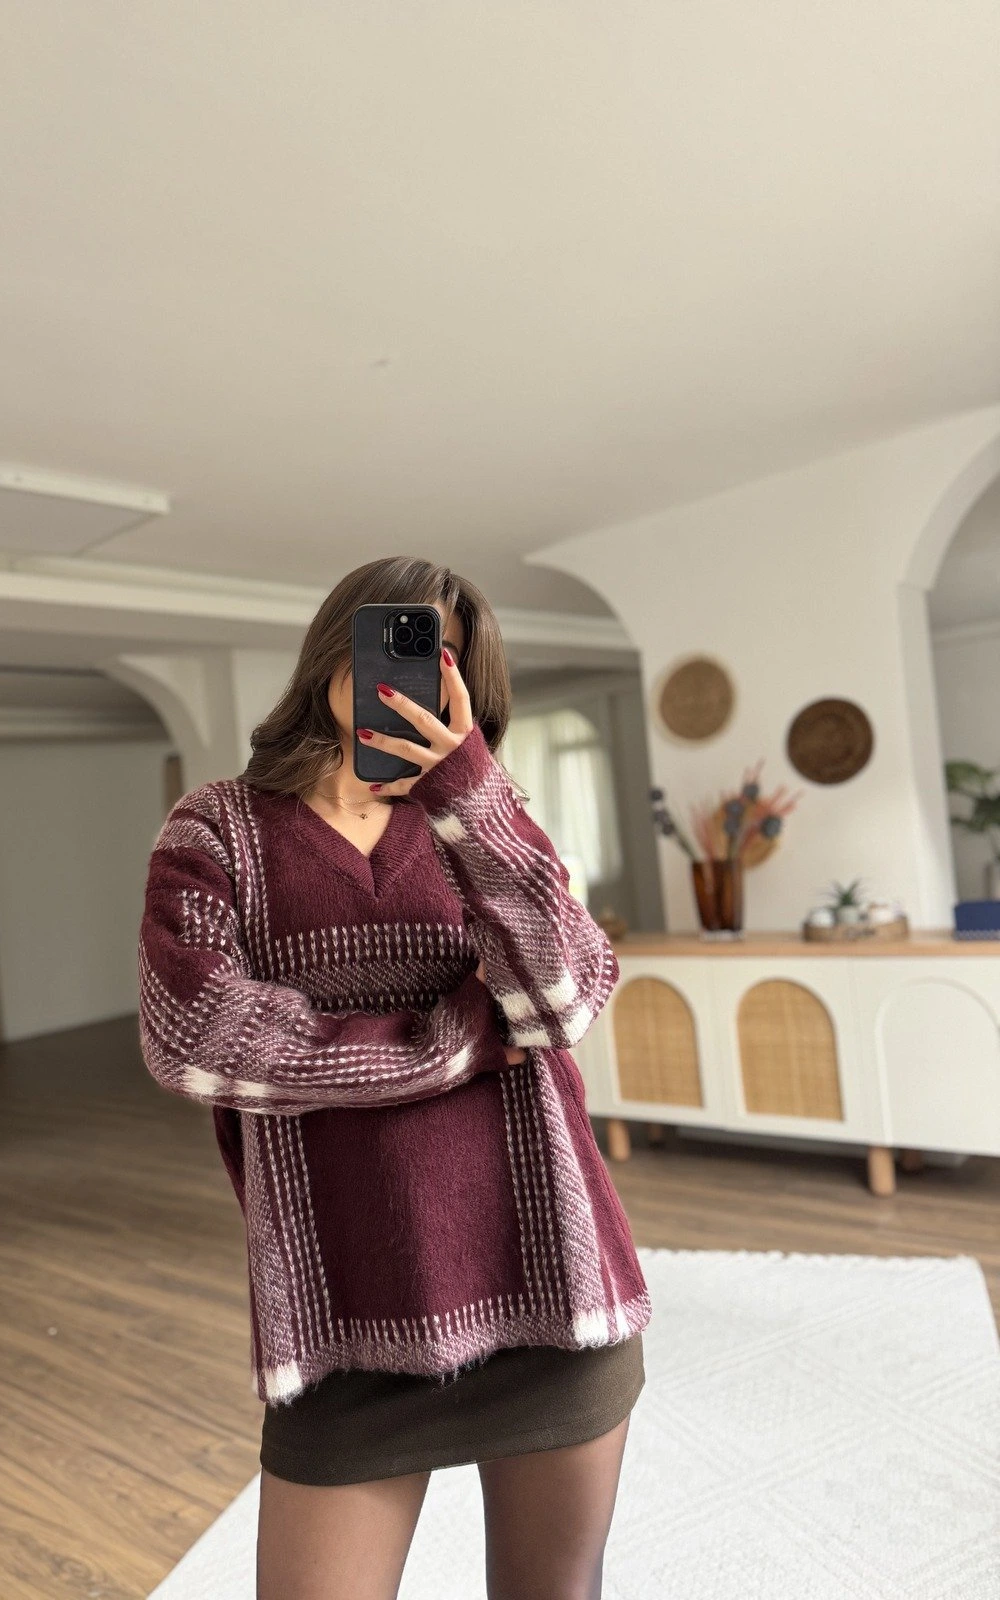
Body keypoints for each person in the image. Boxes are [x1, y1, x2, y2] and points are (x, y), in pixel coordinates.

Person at [138, 555, 653, 1600]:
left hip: (552, 1291)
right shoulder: (218, 827)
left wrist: (469, 794)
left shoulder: (491, 818)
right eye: (398, 639)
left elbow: (563, 999)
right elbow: (196, 1035)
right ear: (337, 649)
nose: (414, 670)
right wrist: (454, 1042)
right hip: (343, 1318)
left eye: (442, 655)